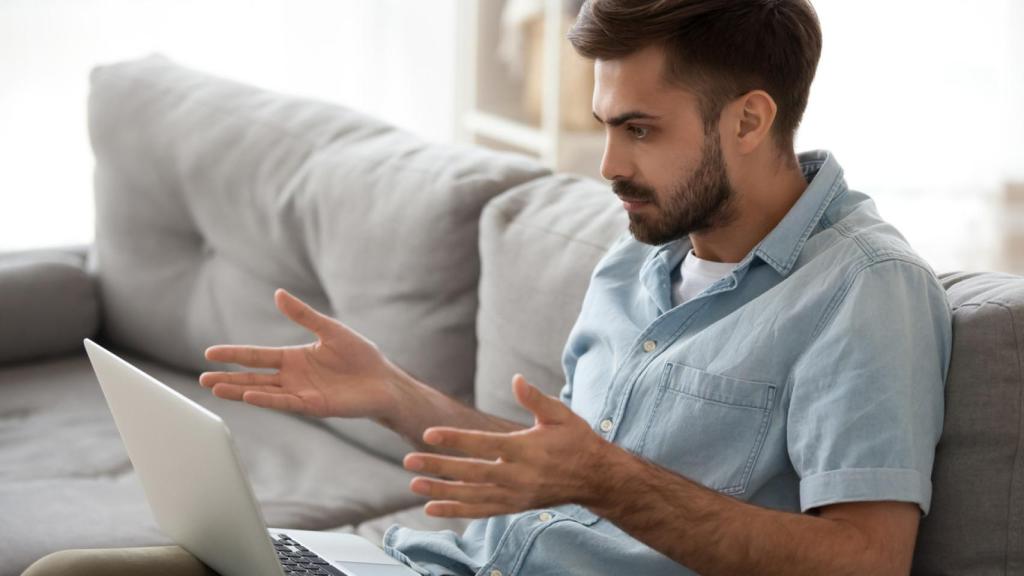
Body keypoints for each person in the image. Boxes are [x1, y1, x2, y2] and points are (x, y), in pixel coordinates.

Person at [24, 0, 952, 575]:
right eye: (603, 125)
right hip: (428, 562)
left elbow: (864, 563)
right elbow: (558, 463)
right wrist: (395, 397)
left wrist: (607, 481)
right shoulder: (638, 254)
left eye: (639, 129)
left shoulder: (864, 290)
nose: (608, 165)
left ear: (750, 119)